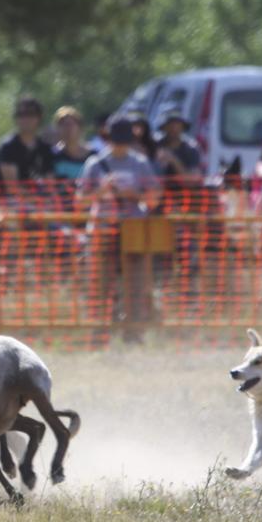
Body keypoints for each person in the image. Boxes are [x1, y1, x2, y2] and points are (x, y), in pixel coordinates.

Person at [76, 117, 163, 344]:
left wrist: (133, 195)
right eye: (117, 141)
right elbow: (81, 201)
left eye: (124, 141)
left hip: (133, 231)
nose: (121, 146)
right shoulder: (95, 164)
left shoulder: (140, 163)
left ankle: (133, 334)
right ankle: (99, 335)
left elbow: (154, 198)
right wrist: (102, 190)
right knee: (100, 285)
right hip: (103, 231)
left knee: (135, 286)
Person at [0, 97, 54, 198]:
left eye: (30, 114)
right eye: (21, 115)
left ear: (39, 117)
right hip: (11, 205)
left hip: (41, 204)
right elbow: (12, 188)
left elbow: (50, 184)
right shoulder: (8, 146)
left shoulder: (45, 148)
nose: (25, 119)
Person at [155, 111, 205, 210]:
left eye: (177, 125)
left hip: (184, 197)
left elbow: (192, 181)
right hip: (158, 197)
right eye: (170, 125)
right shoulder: (156, 146)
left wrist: (173, 160)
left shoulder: (191, 149)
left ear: (183, 128)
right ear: (164, 128)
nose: (173, 128)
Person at [52, 106, 93, 186]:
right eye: (62, 125)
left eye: (70, 124)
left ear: (80, 128)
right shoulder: (53, 156)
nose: (67, 129)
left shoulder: (93, 156)